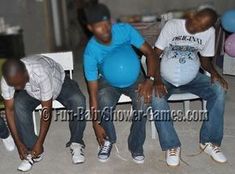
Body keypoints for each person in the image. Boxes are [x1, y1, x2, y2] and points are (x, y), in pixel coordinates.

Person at [152, 8, 228, 166]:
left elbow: (206, 61)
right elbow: (154, 54)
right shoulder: (173, 25)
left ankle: (209, 142)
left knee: (219, 90)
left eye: (204, 27)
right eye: (198, 22)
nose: (198, 29)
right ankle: (172, 145)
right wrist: (156, 79)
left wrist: (215, 73)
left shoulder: (209, 32)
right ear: (192, 14)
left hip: (193, 78)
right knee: (156, 97)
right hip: (165, 78)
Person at [83, 3, 156, 163]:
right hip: (108, 81)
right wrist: (96, 124)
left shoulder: (124, 29)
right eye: (99, 27)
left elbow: (150, 52)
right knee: (103, 99)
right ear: (90, 28)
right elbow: (93, 92)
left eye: (107, 24)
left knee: (144, 101)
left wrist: (149, 80)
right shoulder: (90, 51)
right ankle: (108, 139)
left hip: (135, 77)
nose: (106, 30)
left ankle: (136, 145)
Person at [1, 55, 86, 172]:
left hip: (59, 83)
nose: (16, 87)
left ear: (25, 72)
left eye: (18, 83)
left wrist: (40, 142)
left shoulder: (40, 72)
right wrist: (19, 143)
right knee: (18, 105)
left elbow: (46, 110)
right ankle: (33, 150)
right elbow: (9, 111)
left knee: (78, 100)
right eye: (13, 85)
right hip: (32, 91)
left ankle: (76, 142)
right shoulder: (8, 80)